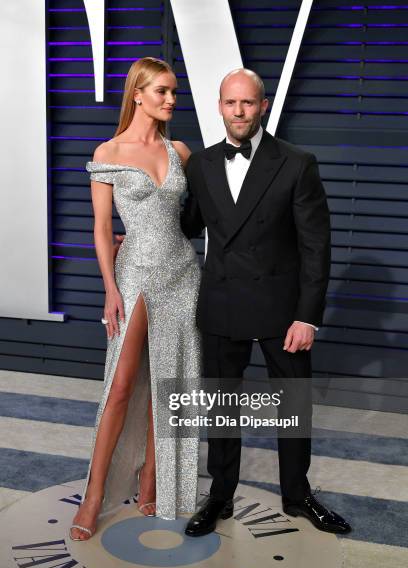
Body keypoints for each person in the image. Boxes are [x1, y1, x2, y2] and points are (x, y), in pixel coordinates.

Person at [180, 68, 352, 537]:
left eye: (248, 103)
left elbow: (317, 246)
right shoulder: (201, 164)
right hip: (222, 299)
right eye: (231, 103)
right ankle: (219, 497)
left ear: (263, 106)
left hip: (283, 308)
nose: (239, 112)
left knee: (294, 405)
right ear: (220, 107)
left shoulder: (297, 162)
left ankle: (298, 496)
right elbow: (188, 225)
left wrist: (307, 317)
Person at [69, 57, 201, 541]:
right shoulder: (109, 152)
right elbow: (102, 229)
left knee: (168, 378)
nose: (171, 100)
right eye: (163, 91)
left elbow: (199, 218)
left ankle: (152, 476)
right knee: (121, 385)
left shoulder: (181, 151)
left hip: (183, 272)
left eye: (173, 92)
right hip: (135, 275)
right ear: (138, 94)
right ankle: (94, 496)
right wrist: (110, 288)